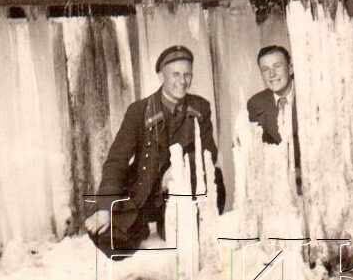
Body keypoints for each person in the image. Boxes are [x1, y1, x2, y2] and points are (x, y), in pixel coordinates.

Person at [84, 45, 225, 258]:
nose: (182, 81)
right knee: (110, 240)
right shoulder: (139, 111)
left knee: (187, 237)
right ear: (161, 76)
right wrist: (105, 207)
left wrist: (178, 170)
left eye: (187, 74)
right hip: (143, 193)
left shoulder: (200, 107)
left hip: (179, 193)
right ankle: (138, 226)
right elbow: (117, 161)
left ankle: (165, 224)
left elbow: (208, 153)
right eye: (175, 74)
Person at [247, 45, 301, 194]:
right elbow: (261, 150)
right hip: (280, 184)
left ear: (290, 68)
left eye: (277, 66)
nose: (271, 74)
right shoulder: (256, 103)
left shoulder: (309, 92)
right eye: (265, 69)